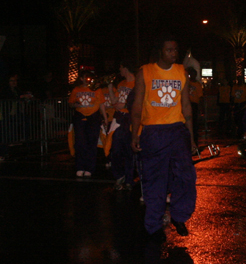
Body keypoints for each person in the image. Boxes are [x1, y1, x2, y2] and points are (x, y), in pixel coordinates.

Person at [131, 36, 197, 241]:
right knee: (155, 180)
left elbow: (186, 106)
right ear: (160, 52)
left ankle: (179, 215)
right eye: (169, 50)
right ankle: (153, 225)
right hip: (153, 132)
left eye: (175, 50)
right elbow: (137, 106)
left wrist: (192, 138)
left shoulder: (181, 72)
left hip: (177, 130)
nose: (173, 53)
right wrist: (135, 134)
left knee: (187, 176)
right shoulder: (146, 71)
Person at [68, 74, 106, 177]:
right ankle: (80, 167)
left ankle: (90, 168)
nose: (87, 79)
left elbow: (101, 104)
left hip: (93, 118)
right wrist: (74, 104)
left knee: (92, 142)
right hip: (80, 117)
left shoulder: (96, 90)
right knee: (80, 142)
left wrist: (105, 119)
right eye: (85, 77)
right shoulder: (76, 89)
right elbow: (70, 103)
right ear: (81, 78)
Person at [108, 61, 136, 190]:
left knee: (129, 150)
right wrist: (109, 87)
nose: (120, 71)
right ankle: (120, 175)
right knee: (116, 149)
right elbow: (114, 102)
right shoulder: (121, 84)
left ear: (126, 68)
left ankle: (129, 179)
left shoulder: (137, 83)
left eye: (121, 67)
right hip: (119, 118)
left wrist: (125, 105)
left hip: (130, 118)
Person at [187, 67, 204, 148]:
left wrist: (201, 109)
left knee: (194, 124)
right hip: (187, 104)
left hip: (194, 105)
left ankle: (194, 143)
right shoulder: (187, 83)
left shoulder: (198, 85)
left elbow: (200, 97)